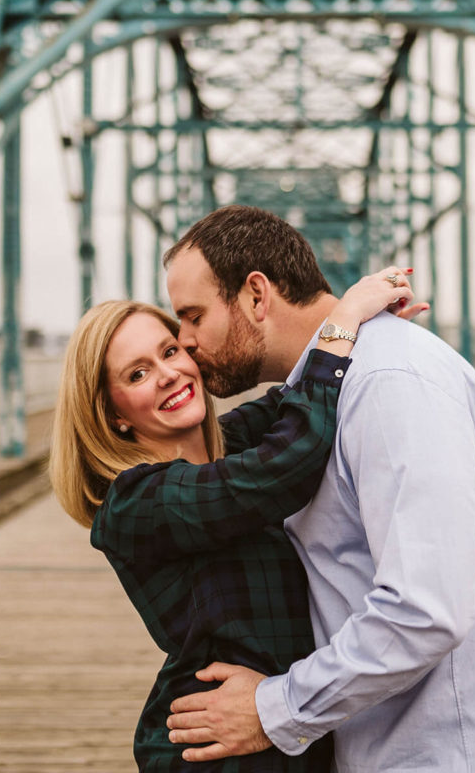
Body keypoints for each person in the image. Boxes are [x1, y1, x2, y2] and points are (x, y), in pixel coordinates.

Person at [164, 205, 475, 773]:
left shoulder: (387, 382)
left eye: (192, 315)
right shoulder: (335, 383)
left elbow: (424, 609)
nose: (183, 342)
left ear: (257, 295)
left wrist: (273, 709)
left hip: (468, 752)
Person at [49, 270, 418, 772]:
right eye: (136, 374)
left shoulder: (225, 446)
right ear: (113, 413)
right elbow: (286, 464)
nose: (167, 374)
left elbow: (296, 392)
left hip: (280, 727)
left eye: (170, 351)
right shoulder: (134, 503)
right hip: (215, 746)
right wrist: (344, 317)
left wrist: (370, 337)